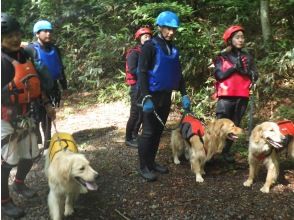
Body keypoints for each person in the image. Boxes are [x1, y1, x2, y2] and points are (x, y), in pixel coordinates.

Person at [1, 13, 56, 218]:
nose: (15, 39)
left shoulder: (25, 55)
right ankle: (4, 202)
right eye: (8, 36)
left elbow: (35, 83)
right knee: (7, 161)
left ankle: (19, 183)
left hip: (26, 113)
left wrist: (47, 103)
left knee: (32, 153)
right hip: (4, 118)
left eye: (16, 34)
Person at [137, 11, 191, 181]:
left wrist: (184, 94)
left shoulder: (173, 48)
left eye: (174, 29)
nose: (171, 32)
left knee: (159, 131)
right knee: (148, 132)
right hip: (150, 96)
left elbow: (178, 73)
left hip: (165, 96)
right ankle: (143, 166)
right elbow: (142, 72)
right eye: (168, 28)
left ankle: (152, 163)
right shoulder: (149, 46)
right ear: (160, 27)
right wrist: (145, 97)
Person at [213, 25, 258, 163]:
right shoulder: (221, 57)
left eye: (242, 37)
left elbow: (255, 74)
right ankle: (213, 152)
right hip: (226, 97)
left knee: (235, 125)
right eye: (237, 37)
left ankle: (226, 152)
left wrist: (250, 74)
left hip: (242, 96)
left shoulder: (247, 57)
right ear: (230, 39)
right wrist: (234, 68)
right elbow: (219, 75)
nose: (241, 40)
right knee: (220, 126)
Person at [25, 20, 67, 149]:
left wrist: (64, 86)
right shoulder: (30, 49)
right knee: (36, 117)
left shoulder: (54, 48)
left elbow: (60, 67)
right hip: (35, 90)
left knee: (48, 116)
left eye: (50, 31)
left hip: (51, 87)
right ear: (37, 34)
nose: (48, 33)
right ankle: (35, 144)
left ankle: (47, 144)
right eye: (45, 31)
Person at [125, 27, 152, 148]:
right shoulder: (134, 53)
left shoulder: (148, 51)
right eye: (145, 36)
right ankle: (128, 137)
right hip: (136, 86)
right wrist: (146, 71)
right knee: (135, 113)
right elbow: (132, 69)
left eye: (149, 36)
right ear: (139, 38)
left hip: (144, 85)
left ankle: (135, 134)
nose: (147, 38)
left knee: (142, 112)